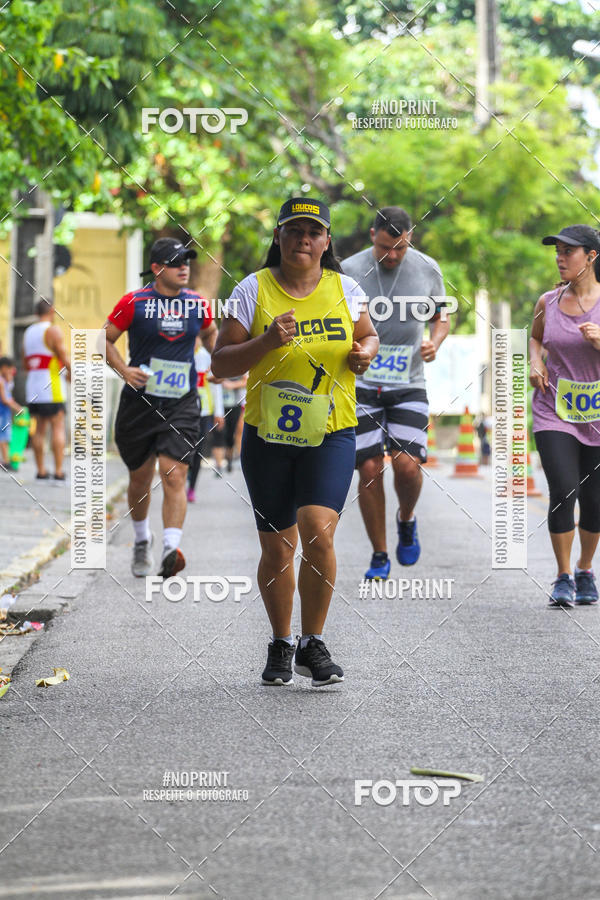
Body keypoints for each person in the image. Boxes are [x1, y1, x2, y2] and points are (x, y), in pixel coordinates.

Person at [212, 197, 378, 687]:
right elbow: (221, 364)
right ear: (279, 238)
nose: (303, 240)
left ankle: (314, 642)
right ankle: (282, 642)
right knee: (278, 548)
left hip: (332, 430)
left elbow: (369, 337)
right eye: (293, 231)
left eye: (313, 232)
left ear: (326, 242)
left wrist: (363, 352)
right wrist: (265, 341)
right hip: (268, 436)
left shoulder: (346, 289)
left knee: (317, 529)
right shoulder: (252, 289)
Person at [342, 207, 450, 580]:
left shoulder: (427, 268)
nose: (393, 256)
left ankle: (406, 517)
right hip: (360, 383)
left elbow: (441, 315)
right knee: (369, 469)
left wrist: (435, 342)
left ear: (410, 240)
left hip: (409, 383)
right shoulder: (349, 270)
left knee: (407, 464)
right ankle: (379, 553)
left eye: (400, 249)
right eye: (387, 248)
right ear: (373, 235)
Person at [105, 237, 217, 577]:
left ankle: (171, 546)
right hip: (139, 403)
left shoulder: (197, 304)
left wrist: (218, 362)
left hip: (181, 403)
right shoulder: (134, 302)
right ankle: (142, 540)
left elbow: (211, 334)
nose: (185, 267)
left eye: (187, 261)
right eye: (176, 262)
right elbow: (103, 339)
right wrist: (124, 370)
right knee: (139, 478)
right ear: (157, 268)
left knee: (174, 472)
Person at [530, 224, 600, 608]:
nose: (560, 258)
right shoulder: (548, 301)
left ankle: (586, 568)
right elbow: (537, 337)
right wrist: (535, 361)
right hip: (554, 411)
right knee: (563, 490)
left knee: (595, 500)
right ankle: (563, 576)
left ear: (591, 256)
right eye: (557, 251)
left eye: (568, 252)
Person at [23, 299, 70, 481]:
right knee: (57, 427)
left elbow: (26, 362)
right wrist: (73, 374)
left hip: (33, 387)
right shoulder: (53, 330)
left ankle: (41, 470)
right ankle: (58, 471)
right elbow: (64, 358)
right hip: (52, 387)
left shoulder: (28, 332)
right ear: (52, 311)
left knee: (39, 430)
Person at [187, 337, 224, 501]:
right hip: (183, 410)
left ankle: (191, 487)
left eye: (198, 337)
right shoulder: (182, 353)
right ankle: (183, 477)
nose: (195, 340)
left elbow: (216, 385)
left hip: (204, 411)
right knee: (184, 448)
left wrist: (219, 412)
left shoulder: (206, 356)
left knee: (198, 450)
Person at [211, 373, 247, 474]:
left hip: (236, 404)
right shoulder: (215, 362)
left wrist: (232, 385)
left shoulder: (241, 364)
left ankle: (230, 460)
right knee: (218, 433)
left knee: (231, 435)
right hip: (218, 405)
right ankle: (218, 466)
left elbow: (247, 381)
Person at [0, 357, 20, 471]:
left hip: (5, 413)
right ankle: (6, 462)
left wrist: (9, 378)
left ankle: (6, 460)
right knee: (3, 437)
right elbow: (5, 399)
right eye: (9, 369)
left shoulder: (5, 381)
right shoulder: (1, 382)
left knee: (5, 436)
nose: (11, 372)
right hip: (2, 413)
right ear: (3, 367)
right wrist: (17, 408)